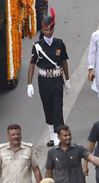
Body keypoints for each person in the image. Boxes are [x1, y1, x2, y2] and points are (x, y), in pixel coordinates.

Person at [27, 16, 70, 147]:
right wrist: (29, 84)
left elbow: (64, 62)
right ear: (43, 30)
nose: (49, 32)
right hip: (44, 80)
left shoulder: (59, 43)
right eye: (46, 30)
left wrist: (67, 80)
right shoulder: (37, 46)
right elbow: (32, 64)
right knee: (47, 107)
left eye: (51, 29)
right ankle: (52, 134)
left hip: (57, 79)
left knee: (58, 106)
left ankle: (59, 134)